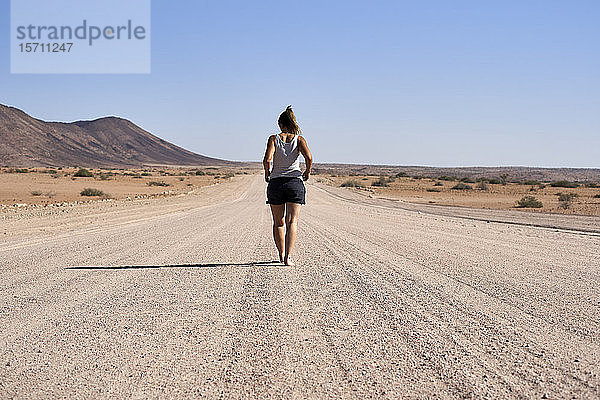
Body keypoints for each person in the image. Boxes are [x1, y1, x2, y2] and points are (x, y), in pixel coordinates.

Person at [263, 105, 313, 266]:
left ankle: (281, 253)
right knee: (293, 222)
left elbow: (267, 159)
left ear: (281, 124)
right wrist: (307, 172)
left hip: (276, 183)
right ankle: (288, 258)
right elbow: (309, 158)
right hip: (294, 183)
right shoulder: (299, 139)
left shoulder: (273, 139)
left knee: (278, 222)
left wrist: (267, 173)